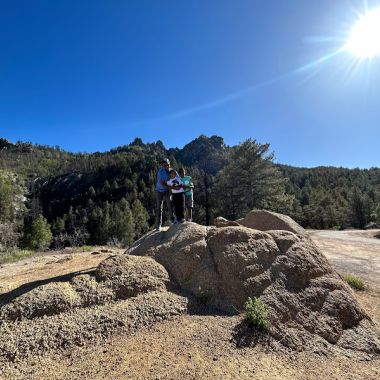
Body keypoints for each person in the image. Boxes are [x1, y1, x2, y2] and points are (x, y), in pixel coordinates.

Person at [155, 158, 173, 231]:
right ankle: (158, 225)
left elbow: (177, 178)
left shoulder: (172, 171)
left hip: (167, 190)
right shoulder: (160, 172)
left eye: (168, 165)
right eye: (165, 165)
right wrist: (171, 188)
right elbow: (162, 183)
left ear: (169, 164)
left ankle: (173, 220)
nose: (167, 167)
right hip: (159, 191)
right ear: (162, 165)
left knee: (170, 204)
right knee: (159, 207)